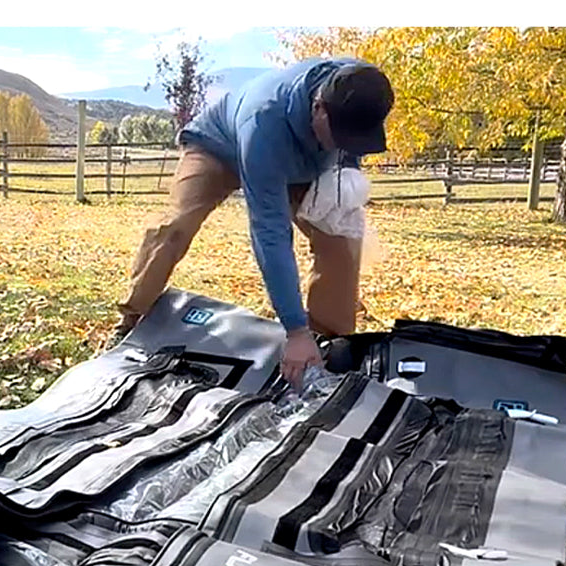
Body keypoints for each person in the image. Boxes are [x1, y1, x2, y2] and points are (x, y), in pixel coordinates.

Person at [112, 58, 394, 387]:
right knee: (176, 226)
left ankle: (326, 345)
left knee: (340, 236)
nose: (347, 145)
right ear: (319, 108)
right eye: (342, 136)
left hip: (302, 162)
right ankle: (131, 320)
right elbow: (270, 234)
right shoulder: (265, 122)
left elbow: (349, 144)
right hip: (218, 147)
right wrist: (294, 329)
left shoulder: (360, 86)